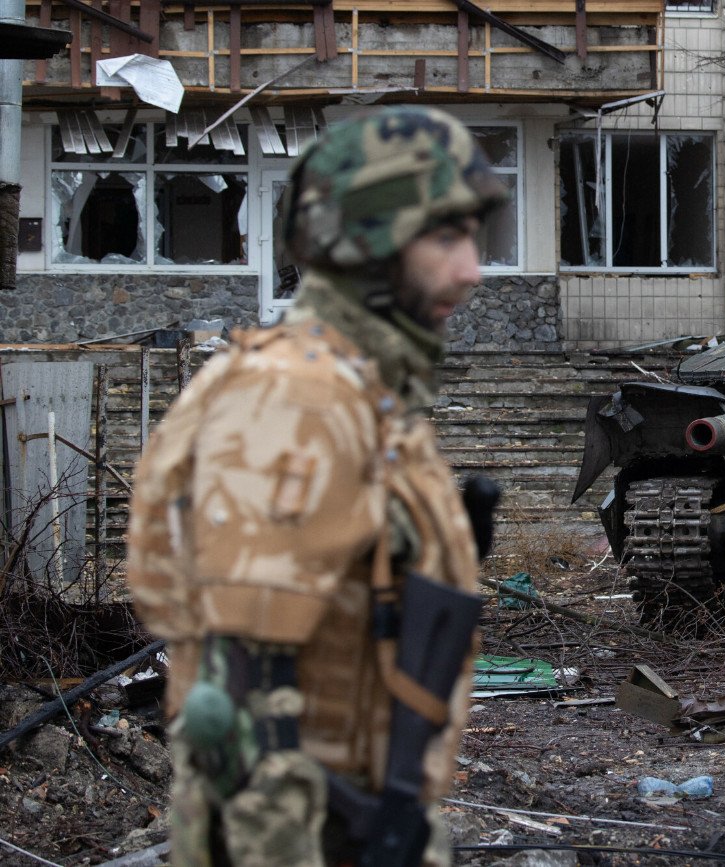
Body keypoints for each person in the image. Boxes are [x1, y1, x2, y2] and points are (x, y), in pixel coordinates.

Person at [126, 105, 504, 867]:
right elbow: (236, 712)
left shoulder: (365, 397)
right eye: (443, 237)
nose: (471, 269)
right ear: (360, 242)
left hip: (364, 820)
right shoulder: (296, 401)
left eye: (472, 237)